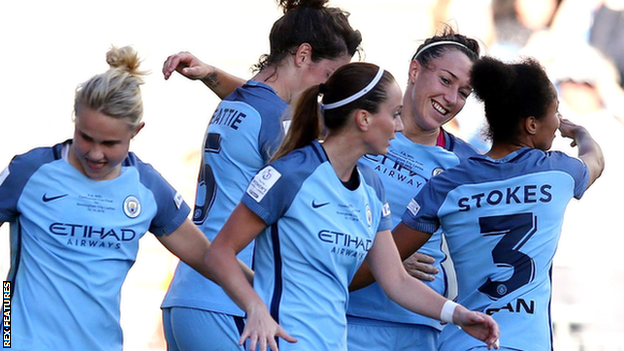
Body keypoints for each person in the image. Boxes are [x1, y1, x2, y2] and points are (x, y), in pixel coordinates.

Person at [179, 26, 482, 350]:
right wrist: (256, 303)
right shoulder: (294, 172)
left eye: (464, 92)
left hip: (372, 335)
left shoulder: (373, 185)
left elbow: (396, 279)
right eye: (446, 81)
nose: (398, 126)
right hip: (301, 334)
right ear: (364, 118)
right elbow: (221, 251)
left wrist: (459, 314)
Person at [0, 46, 242, 351]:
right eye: (85, 137)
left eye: (110, 143)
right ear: (75, 119)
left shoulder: (147, 188)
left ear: (136, 131)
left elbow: (211, 259)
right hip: (18, 342)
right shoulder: (30, 172)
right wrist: (5, 328)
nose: (95, 153)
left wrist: (266, 294)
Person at [160, 1, 362, 350]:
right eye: (328, 77)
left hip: (189, 296)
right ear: (302, 55)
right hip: (231, 301)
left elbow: (270, 106)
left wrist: (211, 73)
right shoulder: (276, 120)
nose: (327, 94)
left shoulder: (240, 102)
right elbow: (317, 202)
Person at [387, 56, 604, 351]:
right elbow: (596, 160)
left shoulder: (448, 183)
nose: (557, 122)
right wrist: (578, 132)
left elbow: (385, 259)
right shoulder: (559, 173)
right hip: (525, 344)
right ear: (531, 124)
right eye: (556, 112)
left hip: (464, 342)